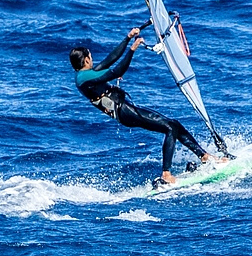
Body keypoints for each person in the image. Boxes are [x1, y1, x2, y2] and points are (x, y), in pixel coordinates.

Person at [70, 27, 211, 186]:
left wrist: (128, 37)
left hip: (125, 110)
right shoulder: (85, 77)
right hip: (124, 111)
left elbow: (110, 59)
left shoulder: (82, 75)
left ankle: (204, 156)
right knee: (170, 127)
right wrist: (132, 49)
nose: (93, 59)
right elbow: (116, 71)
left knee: (174, 124)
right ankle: (166, 174)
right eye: (91, 57)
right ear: (87, 60)